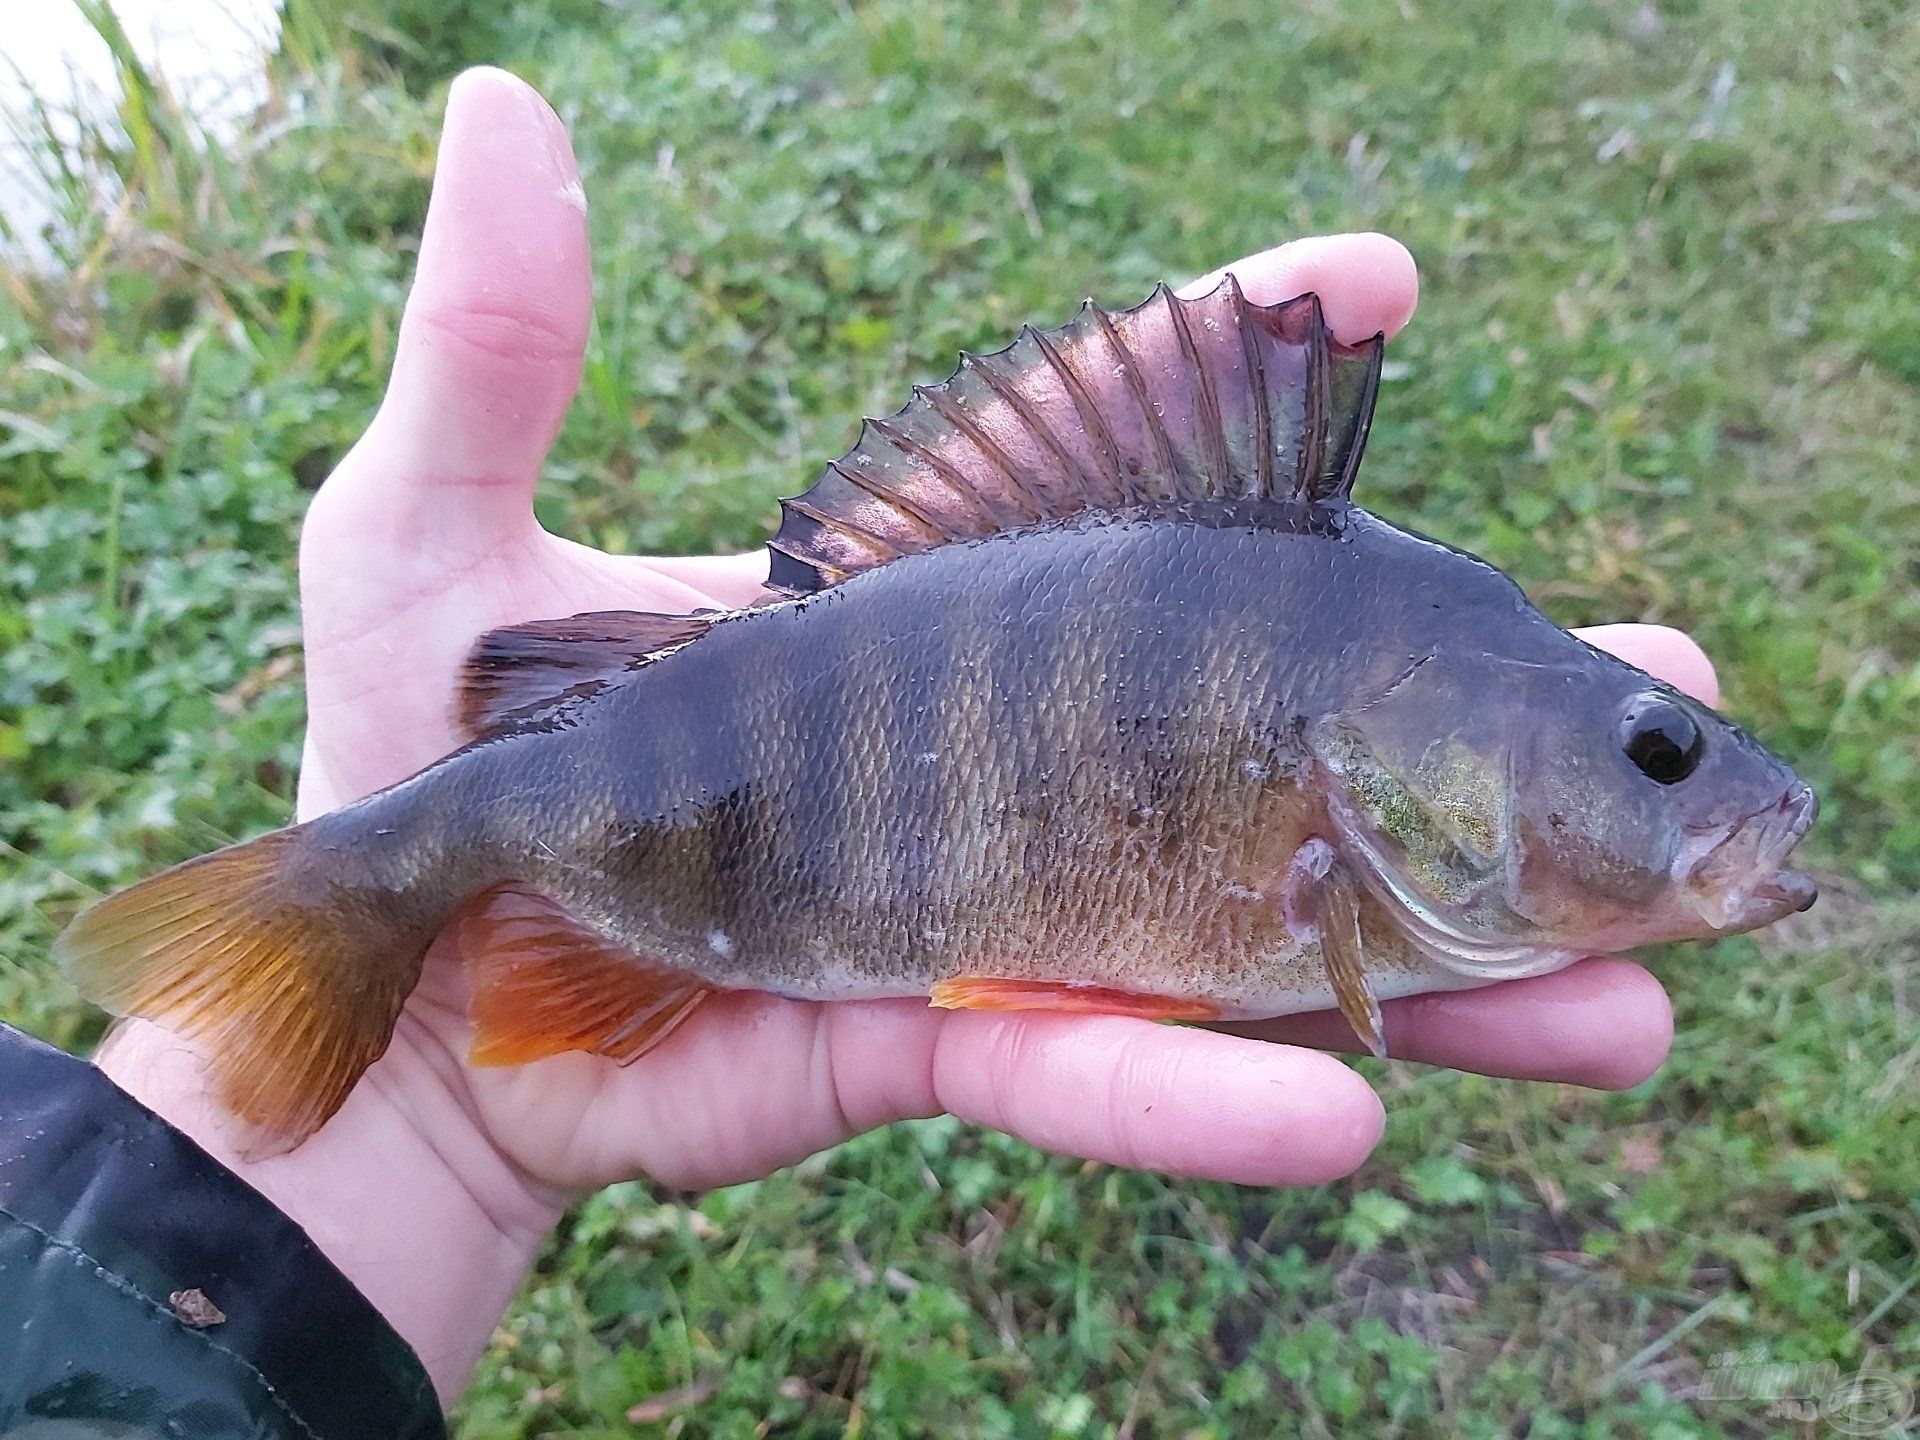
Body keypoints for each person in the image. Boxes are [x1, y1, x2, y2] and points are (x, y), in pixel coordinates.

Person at [0, 68, 1713, 1435]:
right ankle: (336, 924)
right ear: (1429, 737)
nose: (1698, 798)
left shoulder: (1377, 730)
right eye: (1651, 754)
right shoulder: (1361, 716)